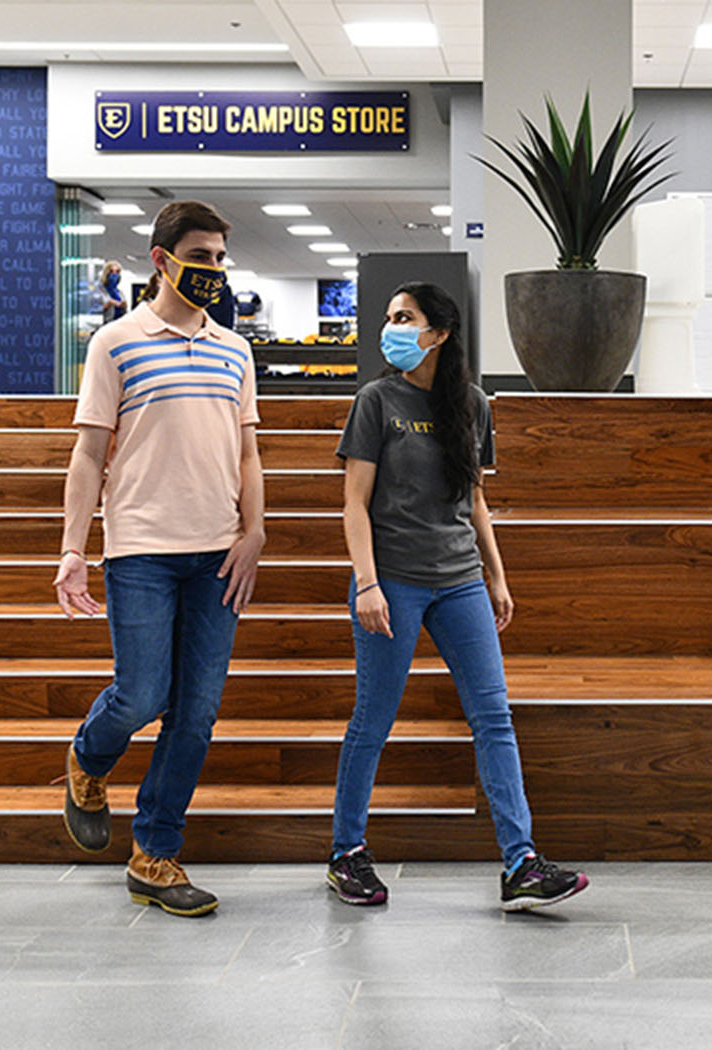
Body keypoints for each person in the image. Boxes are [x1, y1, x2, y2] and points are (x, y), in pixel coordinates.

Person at [327, 281, 589, 912]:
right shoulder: (375, 401)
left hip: (460, 580)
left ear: (439, 333)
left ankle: (521, 863)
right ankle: (346, 853)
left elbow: (474, 498)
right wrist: (367, 582)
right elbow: (354, 504)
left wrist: (497, 576)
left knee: (493, 717)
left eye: (404, 317)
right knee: (373, 720)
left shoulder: (472, 404)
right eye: (390, 317)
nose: (391, 327)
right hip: (391, 580)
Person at [54, 201, 265, 916]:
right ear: (161, 259)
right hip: (141, 549)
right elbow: (89, 453)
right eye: (200, 256)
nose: (213, 270)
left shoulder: (235, 350)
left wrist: (255, 531)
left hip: (218, 555)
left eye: (219, 259)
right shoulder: (115, 342)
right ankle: (88, 757)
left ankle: (154, 854)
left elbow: (248, 453)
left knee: (196, 714)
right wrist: (73, 549)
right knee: (142, 695)